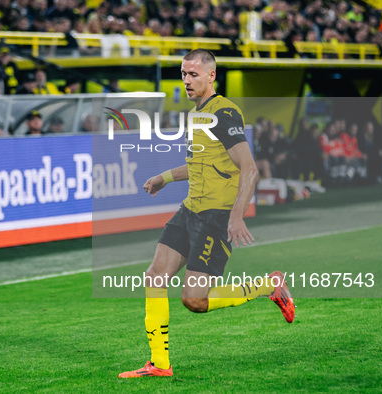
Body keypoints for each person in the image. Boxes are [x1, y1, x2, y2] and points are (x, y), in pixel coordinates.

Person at [118, 49, 295, 379]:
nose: (186, 80)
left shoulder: (223, 113)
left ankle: (268, 285)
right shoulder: (195, 115)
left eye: (193, 74)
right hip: (190, 209)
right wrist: (164, 177)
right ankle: (159, 363)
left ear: (211, 76)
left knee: (194, 301)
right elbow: (201, 164)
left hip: (216, 215)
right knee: (155, 276)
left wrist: (237, 215)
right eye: (183, 74)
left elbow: (250, 168)